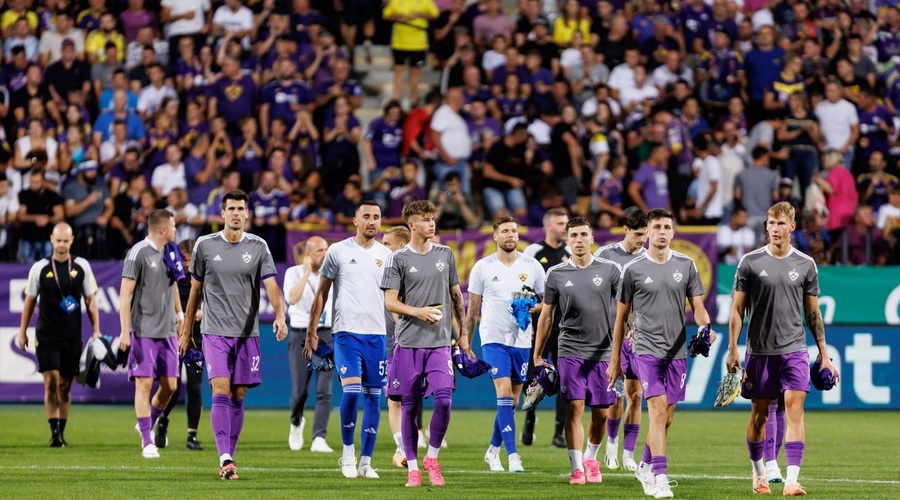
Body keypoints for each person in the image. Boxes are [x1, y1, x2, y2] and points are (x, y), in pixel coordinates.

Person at [726, 201, 838, 496]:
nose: (774, 229)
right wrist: (733, 349)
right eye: (770, 223)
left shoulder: (806, 264)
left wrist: (823, 353)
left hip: (795, 350)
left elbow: (813, 314)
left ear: (792, 227)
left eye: (780, 223)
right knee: (759, 416)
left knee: (795, 409)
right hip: (760, 352)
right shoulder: (749, 262)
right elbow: (737, 310)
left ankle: (792, 479)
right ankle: (758, 470)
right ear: (767, 226)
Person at [180, 190, 288, 480]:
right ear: (223, 213)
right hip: (213, 331)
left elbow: (271, 286)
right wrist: (187, 329)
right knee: (220, 389)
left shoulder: (259, 246)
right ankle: (224, 457)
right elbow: (195, 292)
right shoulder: (204, 245)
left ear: (247, 214)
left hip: (247, 334)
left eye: (241, 208)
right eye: (232, 208)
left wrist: (279, 315)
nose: (237, 213)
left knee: (239, 394)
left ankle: (230, 452)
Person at [607, 208, 714, 499]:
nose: (663, 231)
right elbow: (620, 319)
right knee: (655, 410)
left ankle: (643, 464)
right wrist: (616, 360)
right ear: (649, 232)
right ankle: (661, 478)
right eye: (657, 227)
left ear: (673, 232)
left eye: (668, 226)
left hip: (676, 351)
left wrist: (706, 327)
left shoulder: (687, 265)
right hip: (644, 349)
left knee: (666, 418)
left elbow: (699, 307)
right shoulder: (632, 270)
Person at [382, 200, 471, 488]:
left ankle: (431, 458)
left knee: (444, 399)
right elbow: (390, 301)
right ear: (411, 225)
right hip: (407, 344)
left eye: (433, 218)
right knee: (409, 407)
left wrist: (464, 334)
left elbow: (457, 297)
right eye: (425, 219)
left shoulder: (445, 254)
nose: (431, 223)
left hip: (439, 344)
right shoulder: (398, 259)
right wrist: (418, 311)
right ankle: (412, 468)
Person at [304, 201, 393, 479]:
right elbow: (321, 293)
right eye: (366, 216)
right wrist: (311, 330)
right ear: (355, 220)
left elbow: (394, 299)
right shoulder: (338, 251)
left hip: (377, 335)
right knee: (352, 393)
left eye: (376, 217)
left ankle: (366, 462)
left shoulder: (388, 255)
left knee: (373, 398)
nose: (371, 221)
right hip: (346, 334)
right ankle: (347, 453)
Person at [533, 216, 621, 484]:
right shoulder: (556, 274)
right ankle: (576, 468)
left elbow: (625, 310)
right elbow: (547, 316)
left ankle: (591, 457)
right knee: (574, 407)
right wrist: (538, 353)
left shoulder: (611, 270)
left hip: (603, 352)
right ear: (567, 240)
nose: (579, 240)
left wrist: (625, 343)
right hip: (569, 349)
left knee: (602, 413)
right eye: (574, 236)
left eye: (584, 234)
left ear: (592, 238)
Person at [467, 216, 545, 473]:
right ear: (495, 236)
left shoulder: (532, 266)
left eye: (514, 230)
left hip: (522, 340)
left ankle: (492, 450)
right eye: (505, 231)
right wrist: (466, 342)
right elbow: (473, 308)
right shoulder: (483, 267)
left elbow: (547, 303)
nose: (511, 235)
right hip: (493, 339)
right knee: (503, 394)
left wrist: (531, 307)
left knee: (512, 401)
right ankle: (512, 456)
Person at [17, 223, 102, 447]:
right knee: (51, 382)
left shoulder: (82, 266)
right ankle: (54, 433)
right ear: (51, 240)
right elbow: (29, 302)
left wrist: (96, 329)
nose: (62, 244)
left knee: (65, 386)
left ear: (72, 240)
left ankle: (61, 432)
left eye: (66, 241)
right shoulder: (39, 267)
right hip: (46, 334)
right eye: (58, 240)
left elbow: (91, 300)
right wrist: (22, 331)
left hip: (72, 336)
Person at [118, 209, 183, 459]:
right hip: (143, 329)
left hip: (167, 330)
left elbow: (174, 282)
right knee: (144, 383)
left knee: (170, 386)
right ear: (164, 229)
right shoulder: (137, 253)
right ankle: (147, 441)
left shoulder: (171, 251)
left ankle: (147, 419)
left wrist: (180, 315)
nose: (176, 230)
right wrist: (126, 331)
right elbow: (125, 296)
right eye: (174, 226)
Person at [593, 209, 649, 471]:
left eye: (646, 233)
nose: (643, 239)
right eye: (638, 234)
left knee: (635, 395)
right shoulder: (605, 255)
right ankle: (612, 444)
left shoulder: (651, 257)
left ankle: (628, 454)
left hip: (640, 337)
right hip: (611, 336)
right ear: (625, 229)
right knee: (615, 397)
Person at [522, 207, 570, 448]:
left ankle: (558, 432)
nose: (565, 227)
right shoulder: (532, 253)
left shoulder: (571, 253)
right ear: (549, 226)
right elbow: (524, 290)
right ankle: (530, 416)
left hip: (565, 329)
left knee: (565, 380)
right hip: (538, 327)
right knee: (532, 376)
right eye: (561, 223)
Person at [284, 236, 335, 453]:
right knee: (299, 391)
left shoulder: (333, 274)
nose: (325, 254)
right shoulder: (293, 272)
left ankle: (319, 437)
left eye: (326, 249)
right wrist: (305, 274)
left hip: (325, 335)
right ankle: (296, 423)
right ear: (309, 253)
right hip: (301, 334)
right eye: (320, 250)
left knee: (324, 390)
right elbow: (292, 299)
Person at [158, 238, 205, 451]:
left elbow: (212, 302)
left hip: (196, 336)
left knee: (194, 387)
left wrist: (202, 314)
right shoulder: (172, 277)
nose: (187, 264)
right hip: (173, 335)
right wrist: (181, 318)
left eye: (190, 259)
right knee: (172, 387)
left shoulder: (204, 275)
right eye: (184, 259)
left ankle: (191, 436)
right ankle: (162, 421)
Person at [381, 226, 413, 468]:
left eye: (387, 244)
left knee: (410, 400)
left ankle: (407, 446)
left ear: (401, 246)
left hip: (412, 345)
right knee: (394, 399)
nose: (383, 248)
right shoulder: (383, 271)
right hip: (390, 347)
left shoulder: (414, 275)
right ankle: (402, 449)